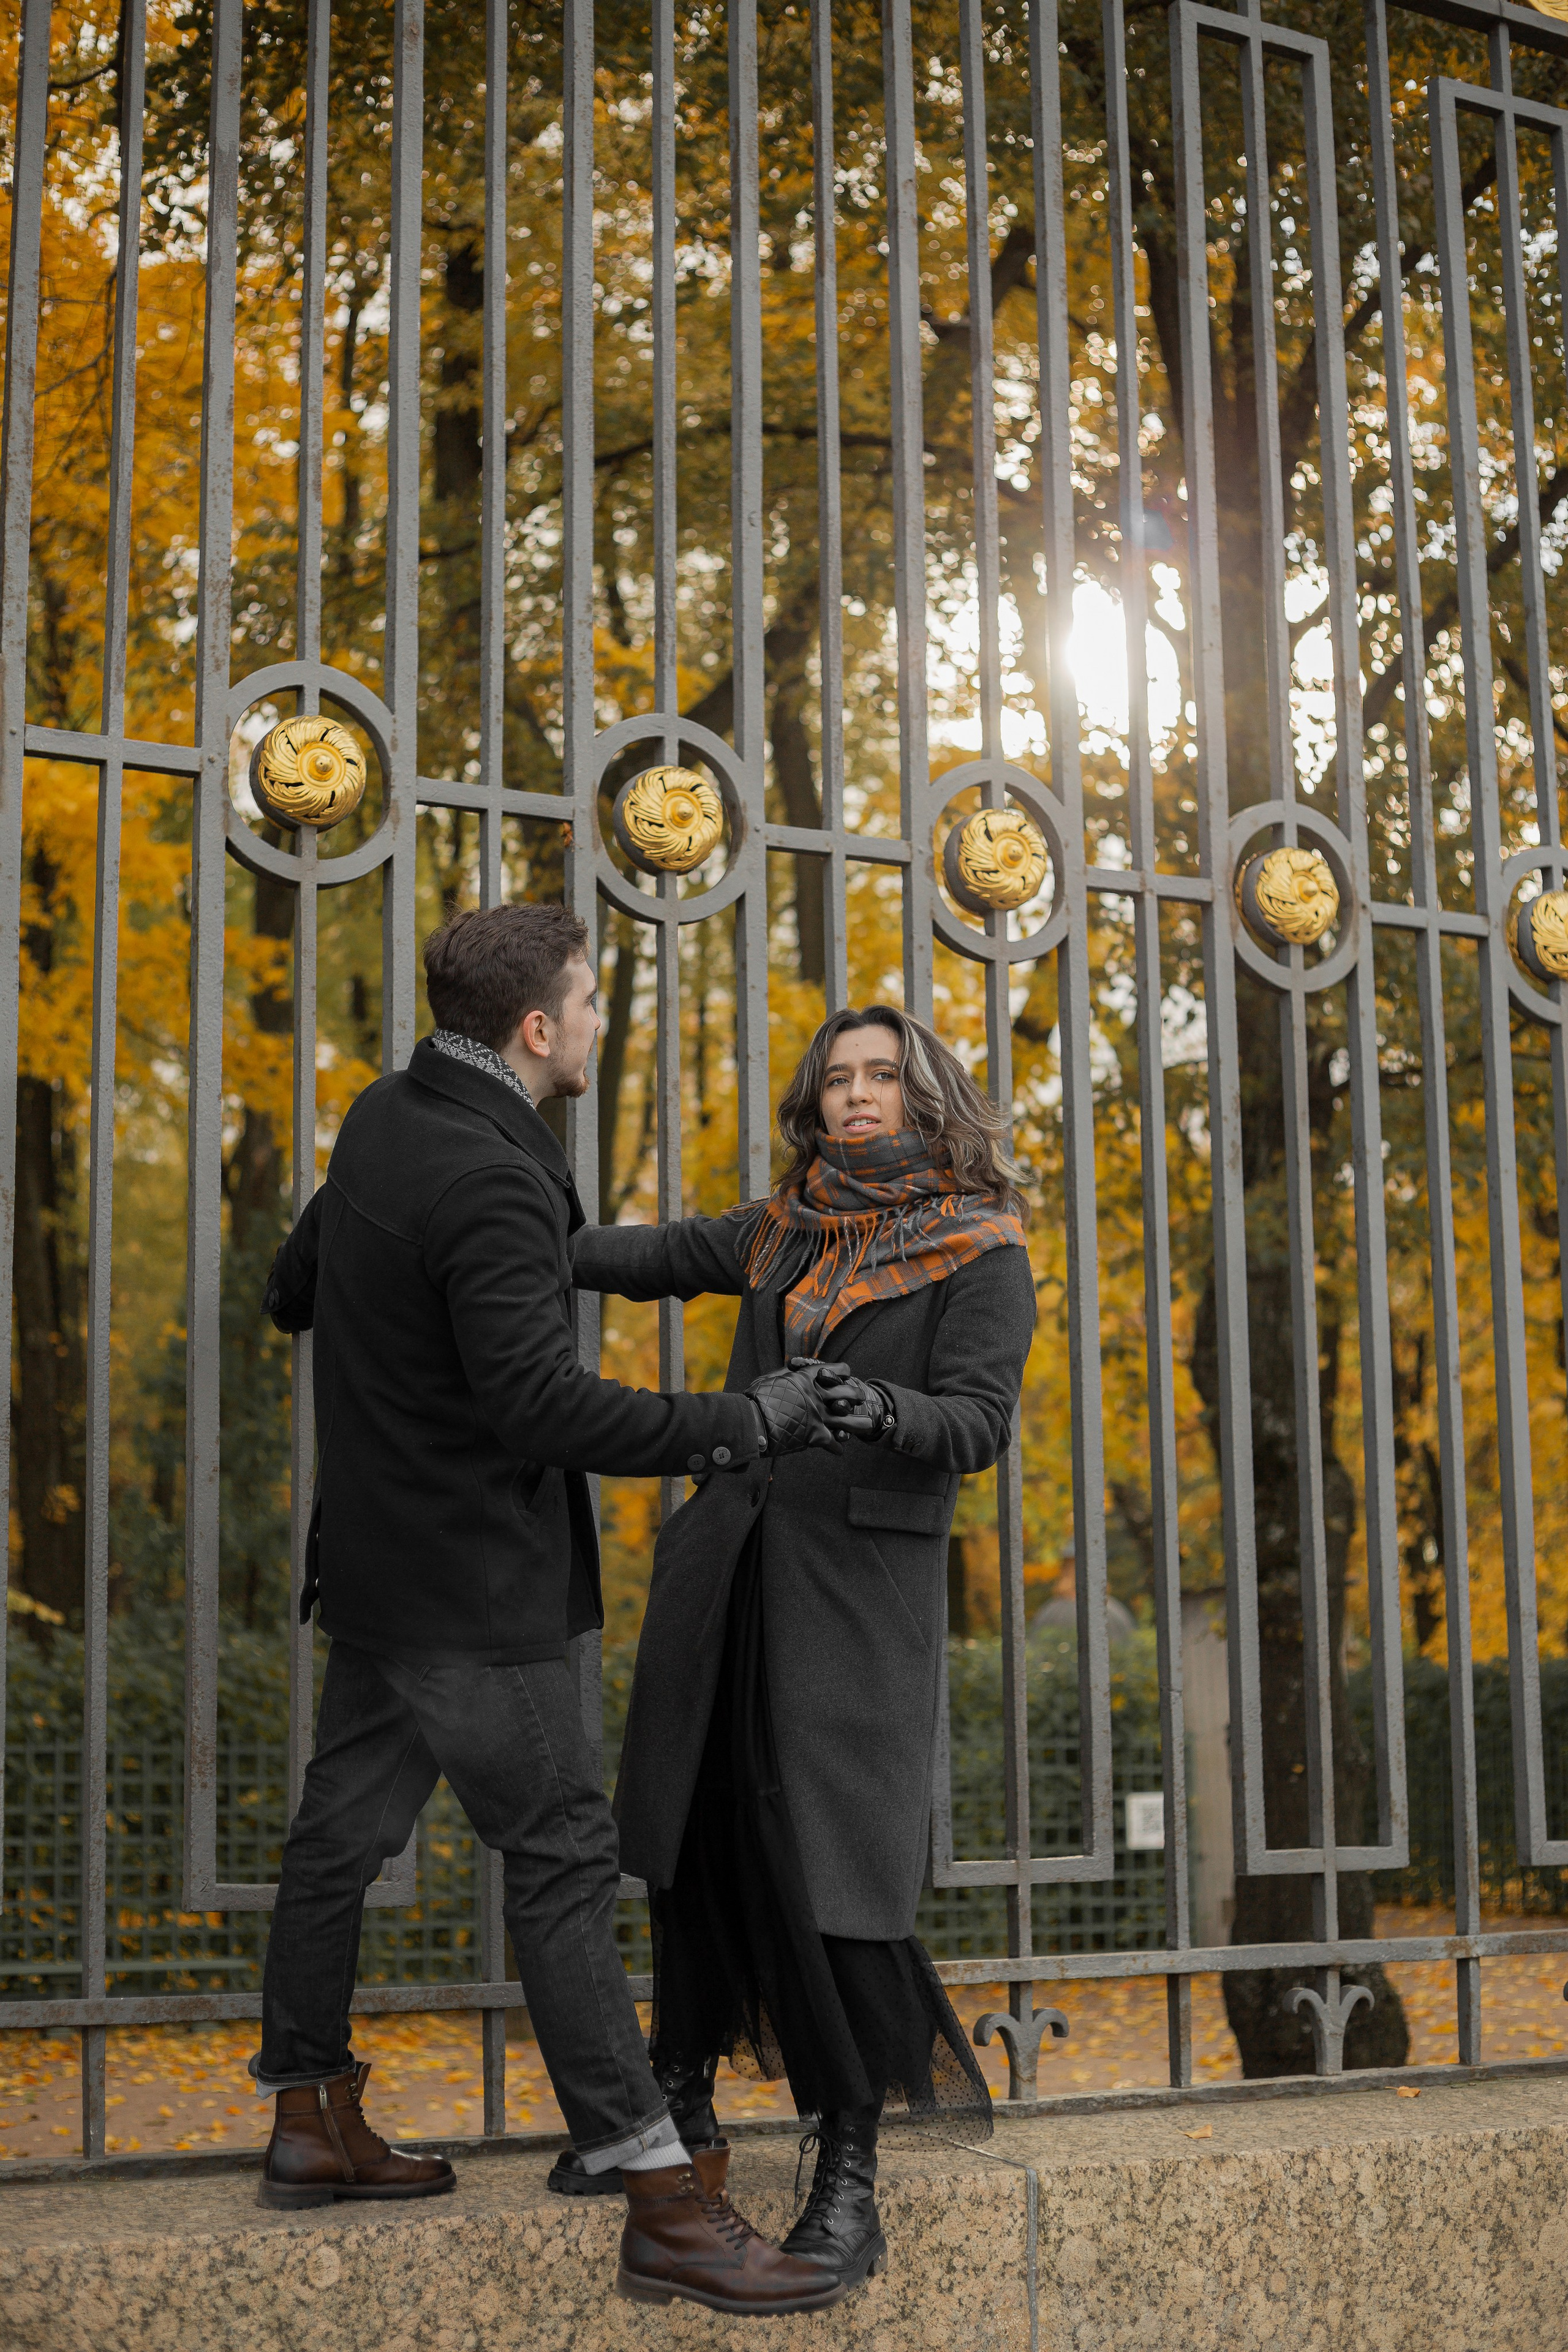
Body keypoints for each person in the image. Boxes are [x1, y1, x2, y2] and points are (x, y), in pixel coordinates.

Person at [254, 901, 858, 2320]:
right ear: (537, 1028)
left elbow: (294, 1289)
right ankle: (659, 2195)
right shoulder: (491, 1176)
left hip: (382, 1576)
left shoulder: (384, 1120)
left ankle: (308, 2114)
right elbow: (537, 1402)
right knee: (567, 1860)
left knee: (337, 1836)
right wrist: (740, 1418)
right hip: (477, 1594)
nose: (593, 1022)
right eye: (586, 1003)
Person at [560, 1005, 1037, 2294]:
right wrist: (499, 1230)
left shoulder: (981, 1251)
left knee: (832, 1871)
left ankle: (847, 2168)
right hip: (728, 1568)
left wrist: (879, 1405)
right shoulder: (778, 1229)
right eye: (837, 1078)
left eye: (882, 1076)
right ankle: (680, 2101)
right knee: (691, 1828)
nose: (855, 1097)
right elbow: (648, 1253)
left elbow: (979, 1422)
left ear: (929, 1097)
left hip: (853, 1596)